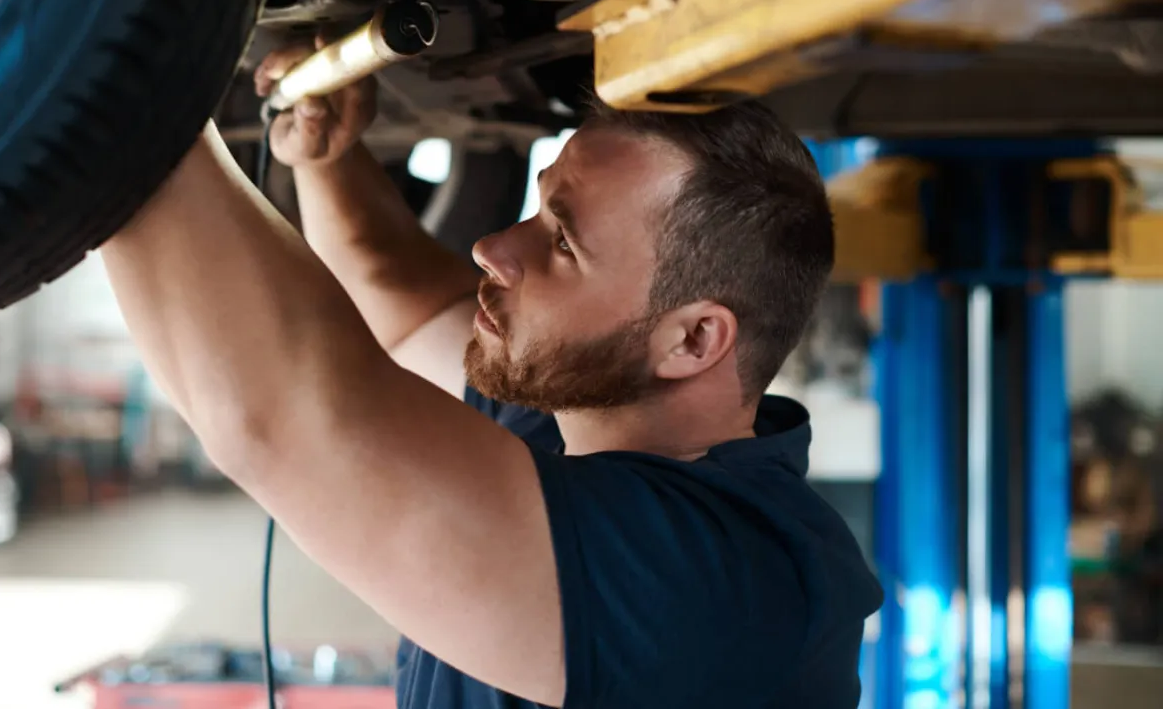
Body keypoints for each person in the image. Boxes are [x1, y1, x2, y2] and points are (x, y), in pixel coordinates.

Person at [100, 43, 884, 709]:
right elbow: (401, 304)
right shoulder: (565, 418)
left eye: (561, 243)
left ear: (693, 340)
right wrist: (329, 162)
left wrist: (117, 58)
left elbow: (282, 419)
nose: (494, 248)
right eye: (539, 211)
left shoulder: (727, 584)